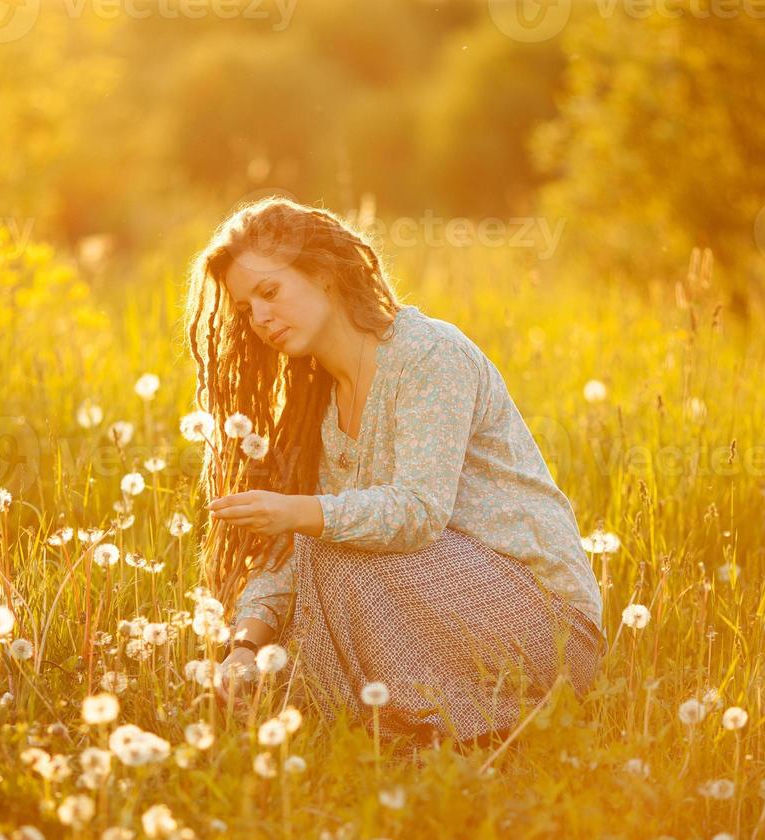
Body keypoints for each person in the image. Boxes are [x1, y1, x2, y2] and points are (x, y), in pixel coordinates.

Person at [184, 196, 605, 747]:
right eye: (245, 309)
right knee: (313, 559)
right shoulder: (315, 400)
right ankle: (407, 723)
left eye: (270, 292)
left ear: (325, 273)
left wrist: (298, 513)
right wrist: (244, 646)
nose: (259, 319)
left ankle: (438, 723)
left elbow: (418, 513)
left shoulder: (428, 355)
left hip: (545, 625)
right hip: (435, 613)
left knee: (324, 542)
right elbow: (295, 546)